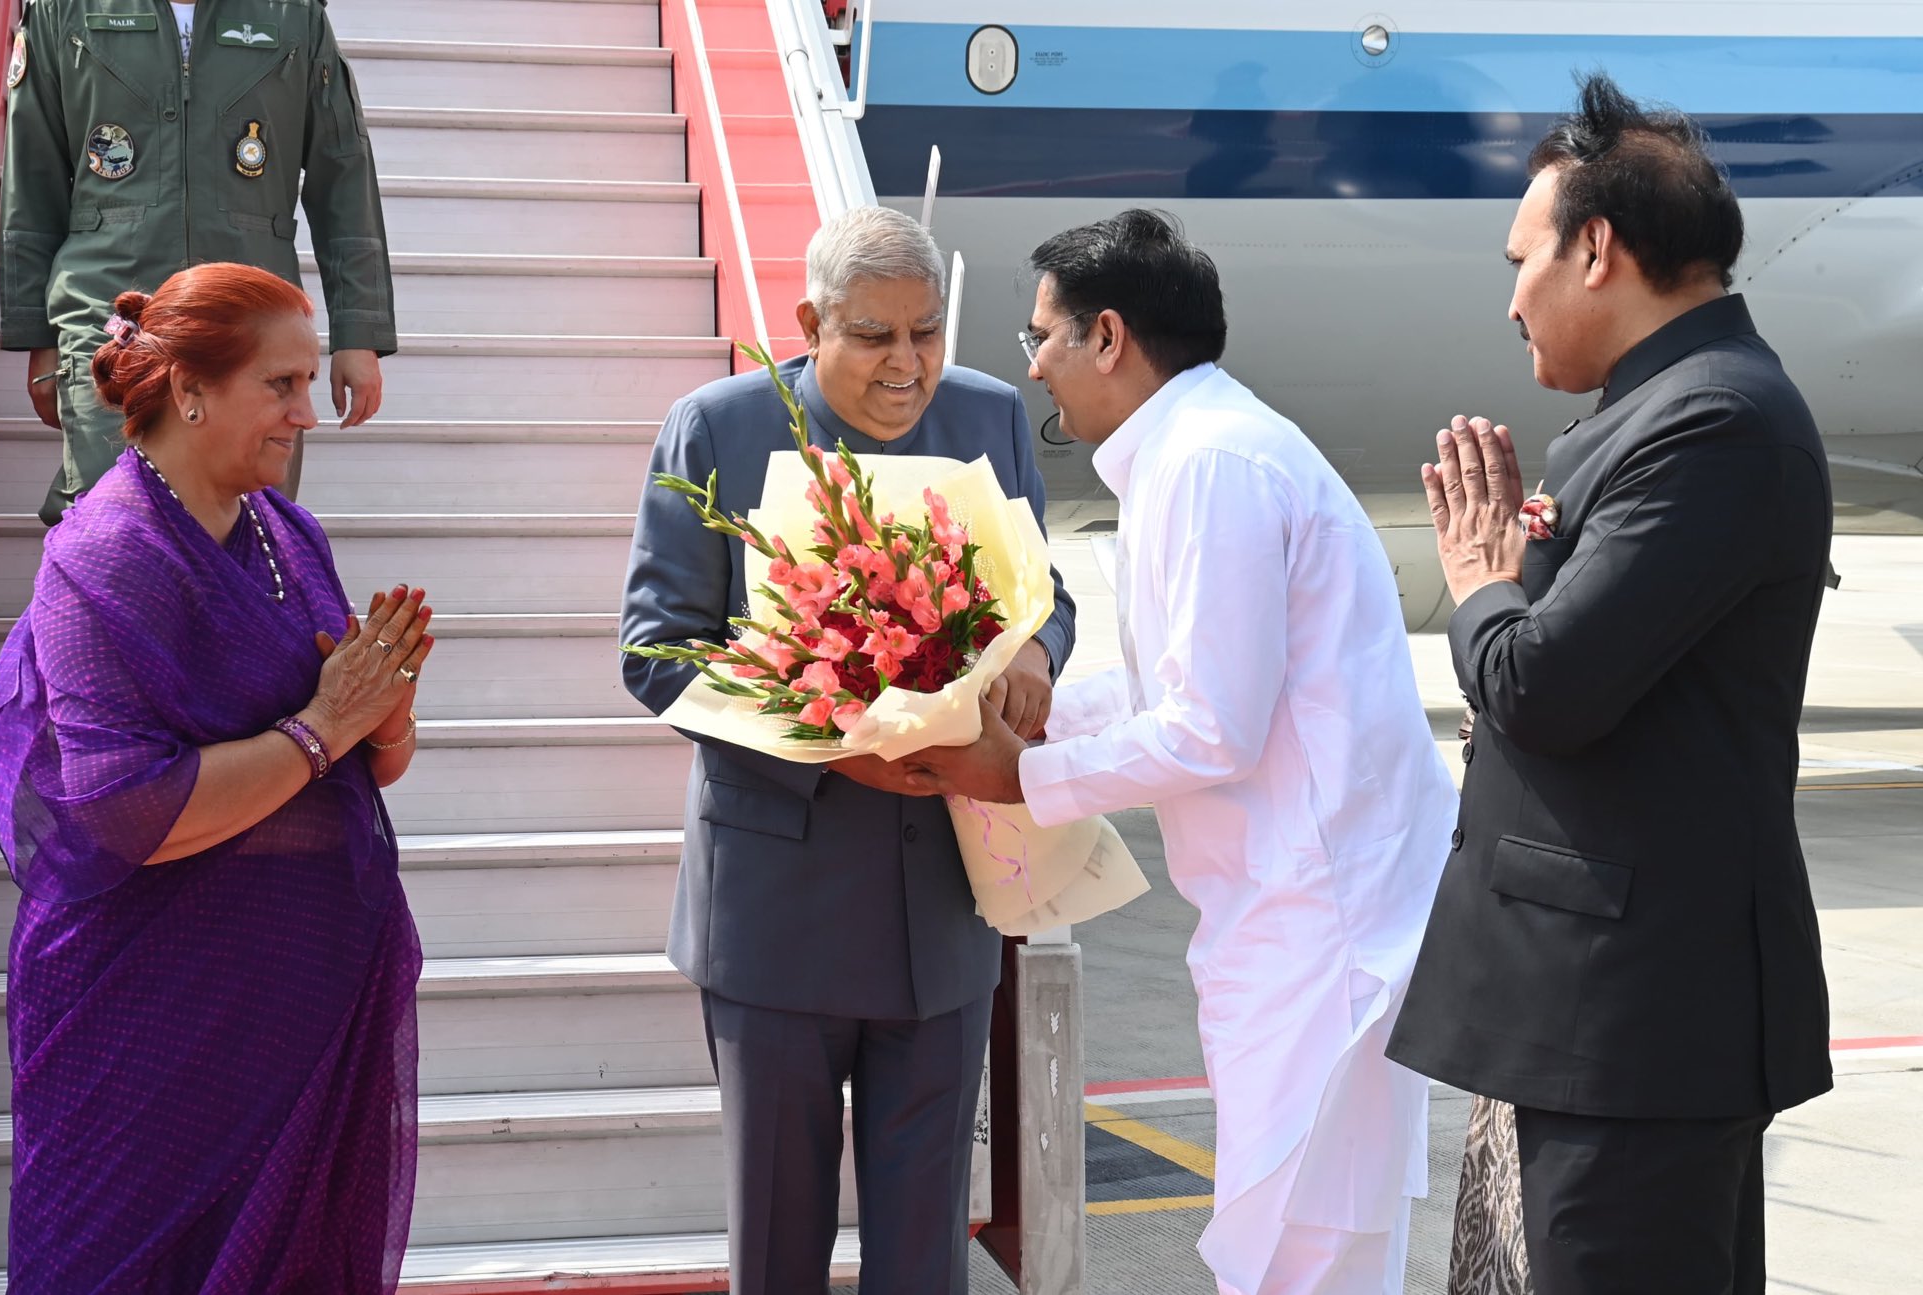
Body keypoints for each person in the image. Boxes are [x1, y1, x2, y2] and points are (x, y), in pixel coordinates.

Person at [909, 209, 1454, 1295]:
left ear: (1106, 336)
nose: (1035, 371)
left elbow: (1209, 727)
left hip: (1317, 917)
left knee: (1302, 1242)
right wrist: (1029, 702)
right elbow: (1176, 688)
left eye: (1040, 339)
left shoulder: (1212, 464)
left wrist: (1016, 773)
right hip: (1291, 906)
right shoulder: (1194, 451)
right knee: (1303, 1229)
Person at [1384, 74, 1834, 1295]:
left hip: (1631, 1032)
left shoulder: (1715, 425)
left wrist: (1477, 578)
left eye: (1520, 256)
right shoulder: (1657, 411)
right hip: (1581, 1018)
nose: (1510, 295)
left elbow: (1541, 684)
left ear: (1596, 249)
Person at [619, 205, 1076, 1294]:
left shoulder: (988, 417)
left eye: (927, 333)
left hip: (940, 897)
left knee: (923, 1251)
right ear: (808, 321)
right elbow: (658, 651)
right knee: (778, 1241)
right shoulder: (717, 428)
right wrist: (831, 745)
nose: (906, 364)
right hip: (777, 897)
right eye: (874, 336)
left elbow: (1042, 592)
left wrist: (1036, 658)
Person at [0, 263, 431, 1291]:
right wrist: (324, 725)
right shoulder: (106, 552)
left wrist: (381, 716)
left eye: (309, 383)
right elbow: (126, 805)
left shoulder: (287, 534)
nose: (307, 414)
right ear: (189, 388)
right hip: (147, 1015)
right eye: (281, 385)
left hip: (290, 997)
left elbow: (371, 762)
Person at [1, 0, 395, 524]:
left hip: (255, 327)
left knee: (252, 530)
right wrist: (40, 338)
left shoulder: (293, 14)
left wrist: (358, 332)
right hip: (111, 317)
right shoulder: (63, 10)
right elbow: (32, 178)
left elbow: (343, 175)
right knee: (112, 529)